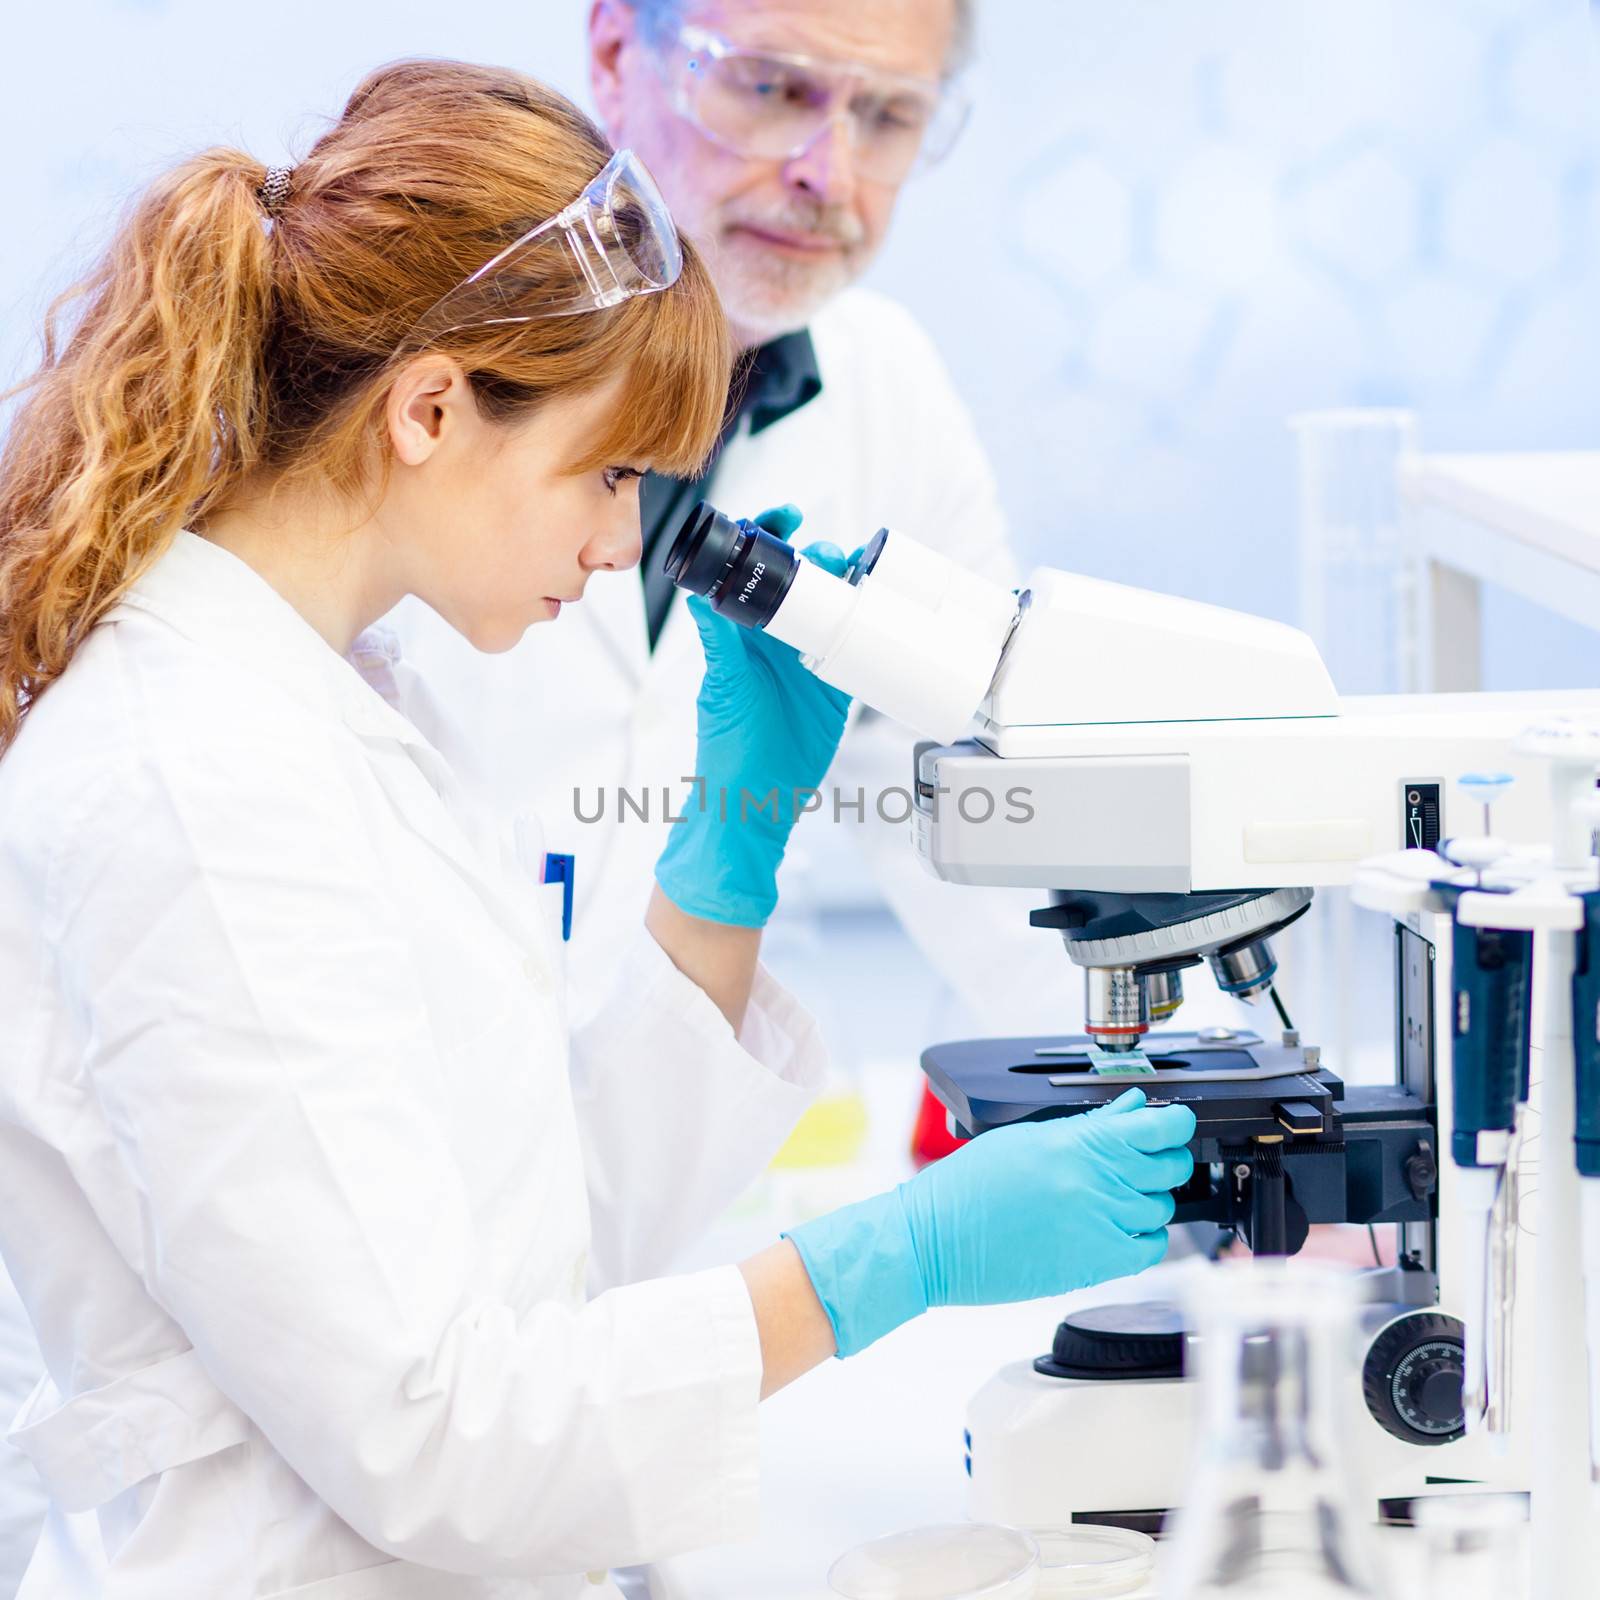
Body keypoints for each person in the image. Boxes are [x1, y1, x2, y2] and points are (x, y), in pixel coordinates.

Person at [0, 59, 1193, 1600]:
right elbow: (438, 1437)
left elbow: (542, 1240)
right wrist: (888, 1263)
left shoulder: (333, 706)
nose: (628, 536)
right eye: (610, 470)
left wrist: (732, 843)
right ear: (430, 407)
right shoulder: (198, 783)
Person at [385, 0, 1086, 1047]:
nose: (828, 175)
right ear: (618, 55)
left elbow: (996, 834)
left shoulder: (886, 390)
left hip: (690, 1152)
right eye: (772, 88)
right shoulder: (406, 356)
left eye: (889, 115)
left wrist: (1191, 1101)